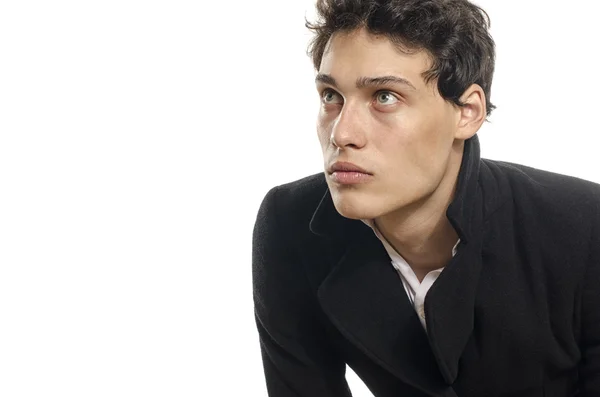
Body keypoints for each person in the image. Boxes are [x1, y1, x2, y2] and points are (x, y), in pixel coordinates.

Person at [251, 0, 600, 395]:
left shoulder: (585, 228)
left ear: (467, 112)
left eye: (385, 96)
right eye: (331, 95)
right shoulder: (290, 223)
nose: (342, 133)